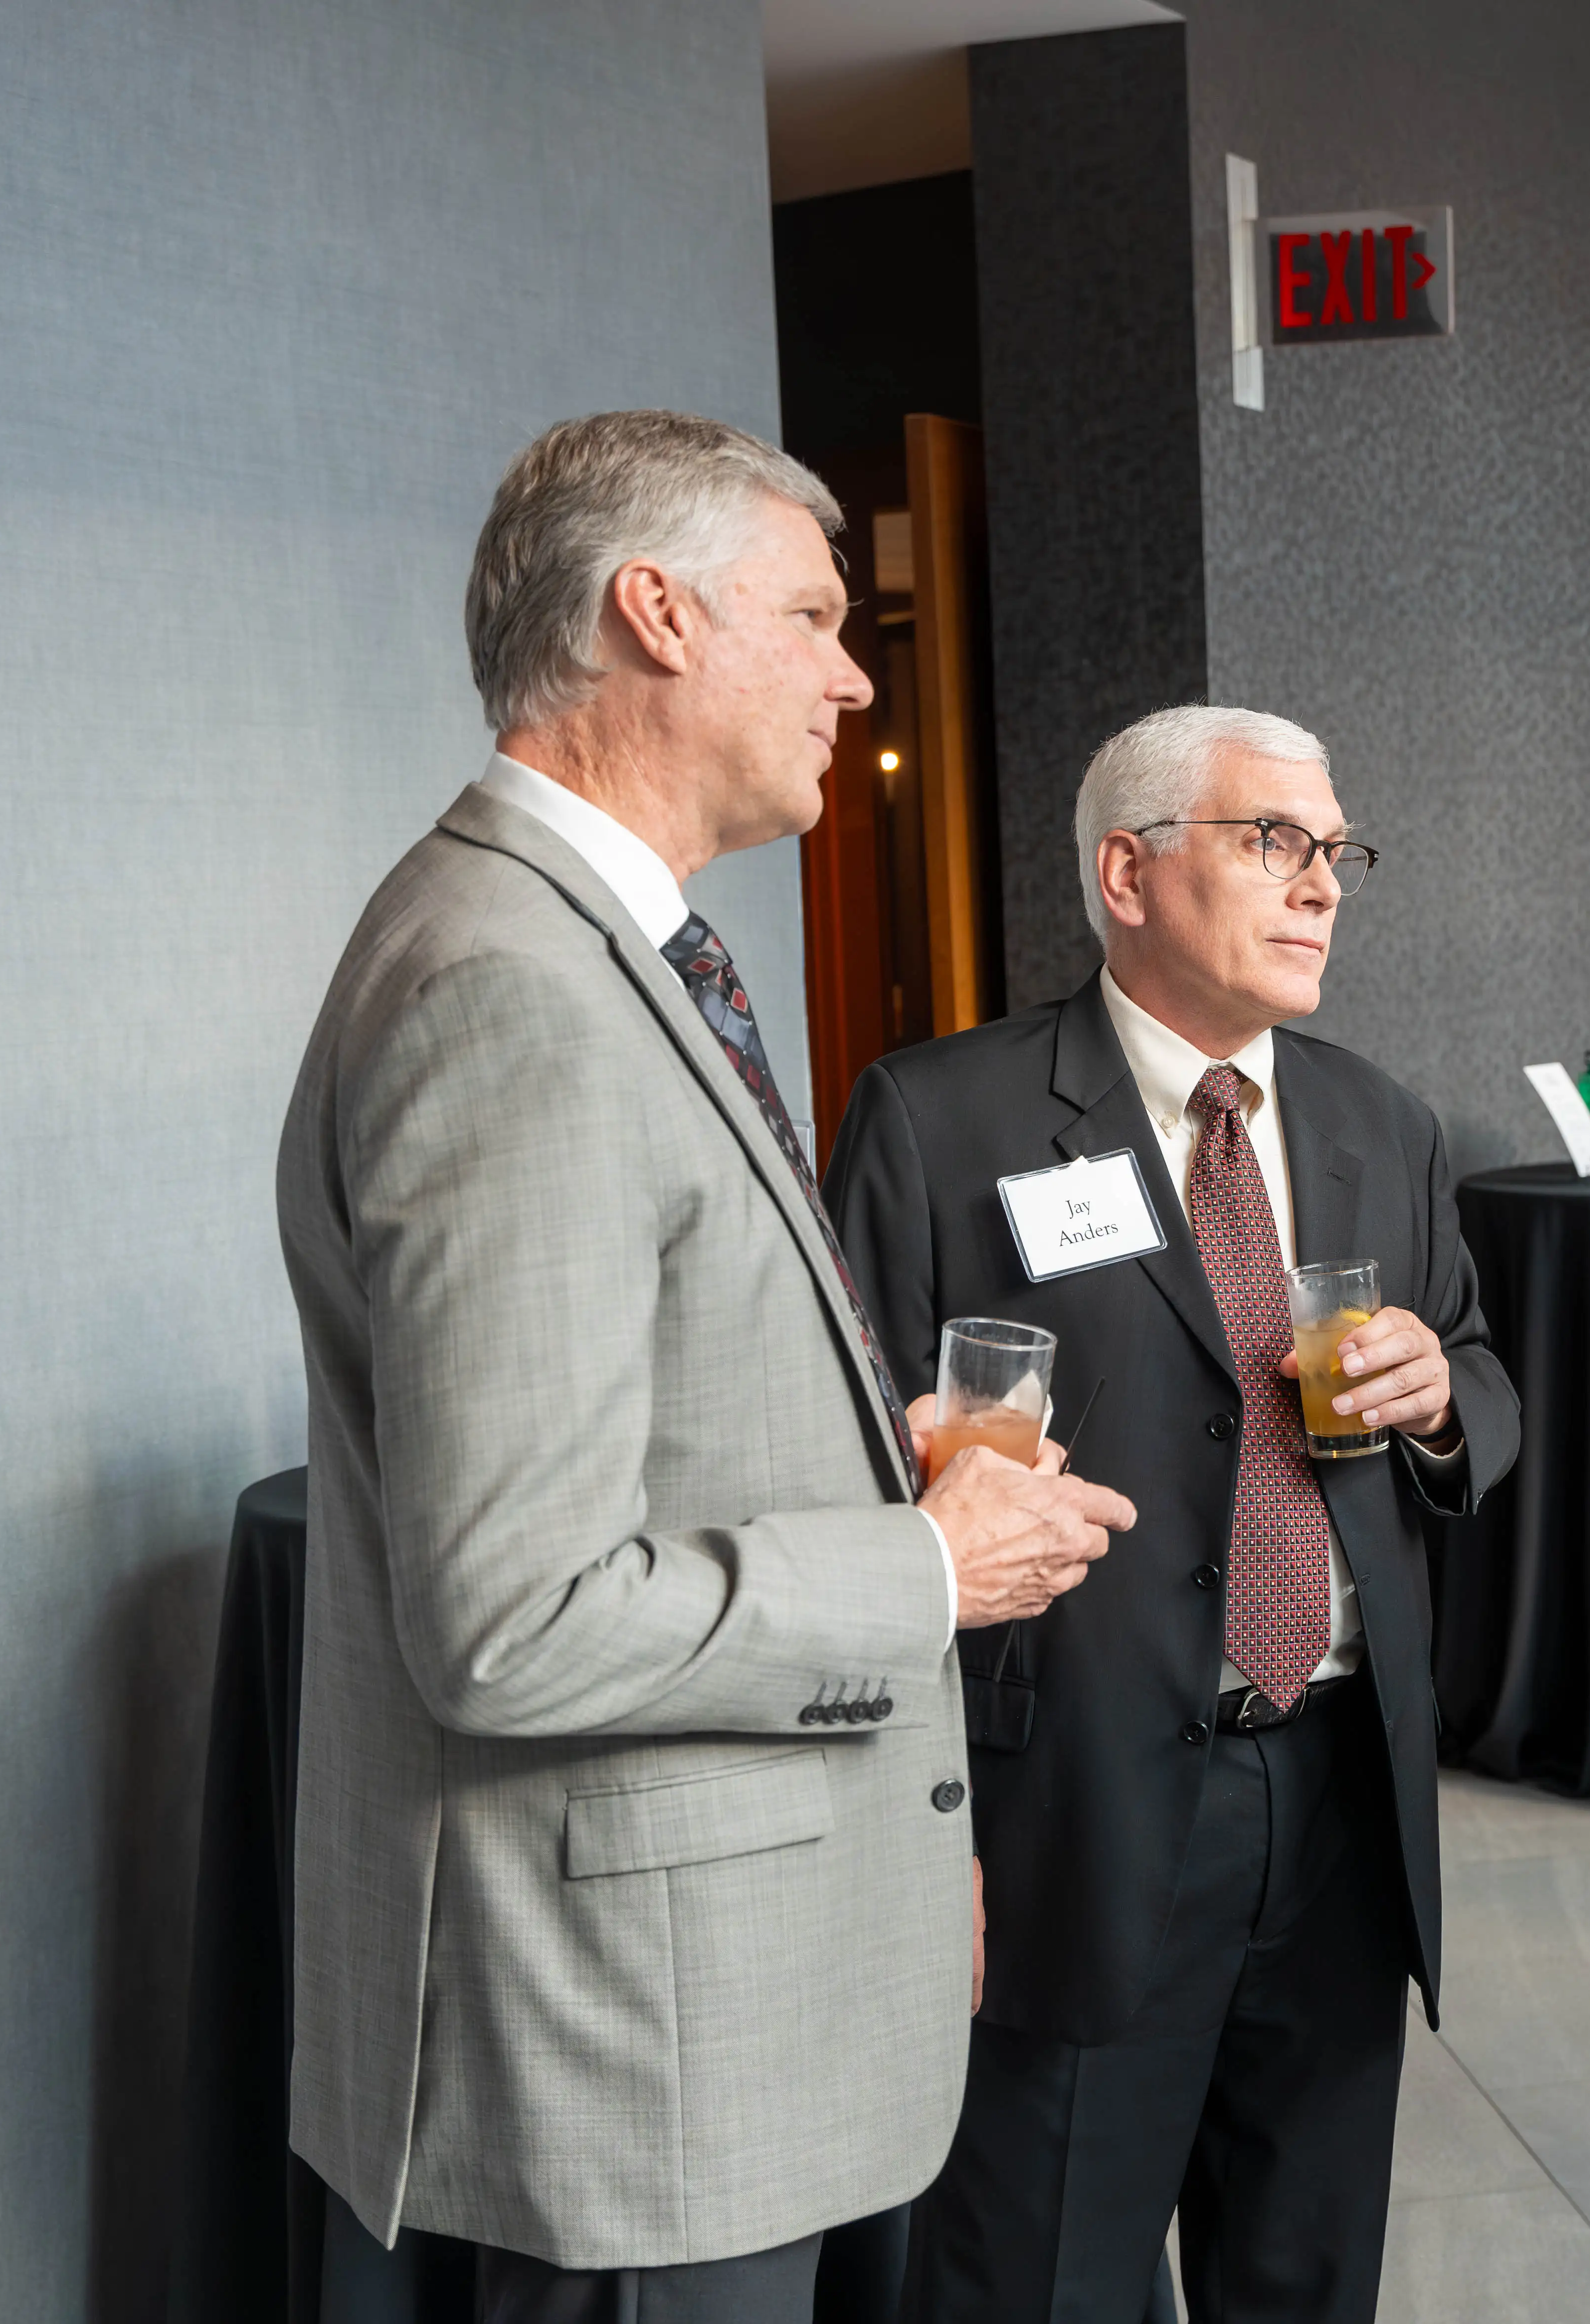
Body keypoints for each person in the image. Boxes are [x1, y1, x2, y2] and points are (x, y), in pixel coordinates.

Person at [276, 411, 1133, 2321]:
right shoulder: (513, 988)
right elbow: (513, 1620)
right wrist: (925, 1570)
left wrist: (867, 1448)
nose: (854, 676)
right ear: (654, 615)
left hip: (714, 2013)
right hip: (638, 2060)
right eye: (816, 617)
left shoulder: (593, 946)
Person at [823, 704, 1522, 2324]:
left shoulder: (1380, 1121)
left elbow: (1482, 1370)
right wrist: (918, 1837)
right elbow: (847, 1466)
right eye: (1275, 843)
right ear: (1127, 875)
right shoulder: (942, 1120)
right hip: (1071, 1814)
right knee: (1038, 2279)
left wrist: (1440, 1396)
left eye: (1336, 851)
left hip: (1340, 1795)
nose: (1323, 886)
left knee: (1307, 2278)